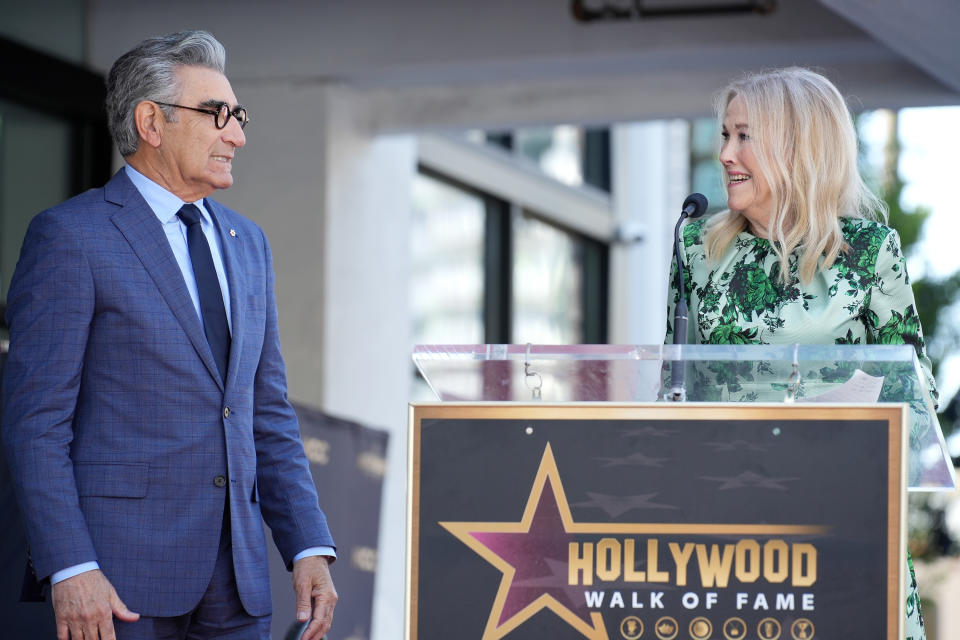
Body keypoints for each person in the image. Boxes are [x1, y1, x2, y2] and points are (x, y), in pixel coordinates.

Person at [2, 31, 336, 640]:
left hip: (238, 582)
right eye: (218, 115)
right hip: (118, 585)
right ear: (151, 122)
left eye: (239, 116)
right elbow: (35, 423)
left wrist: (308, 543)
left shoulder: (249, 243)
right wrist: (70, 565)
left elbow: (266, 411)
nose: (237, 135)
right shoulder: (71, 237)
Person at [664, 67, 933, 639]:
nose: (727, 154)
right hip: (728, 533)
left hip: (842, 521)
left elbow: (917, 400)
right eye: (724, 135)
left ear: (796, 147)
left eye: (744, 136)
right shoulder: (696, 248)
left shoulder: (868, 252)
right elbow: (673, 384)